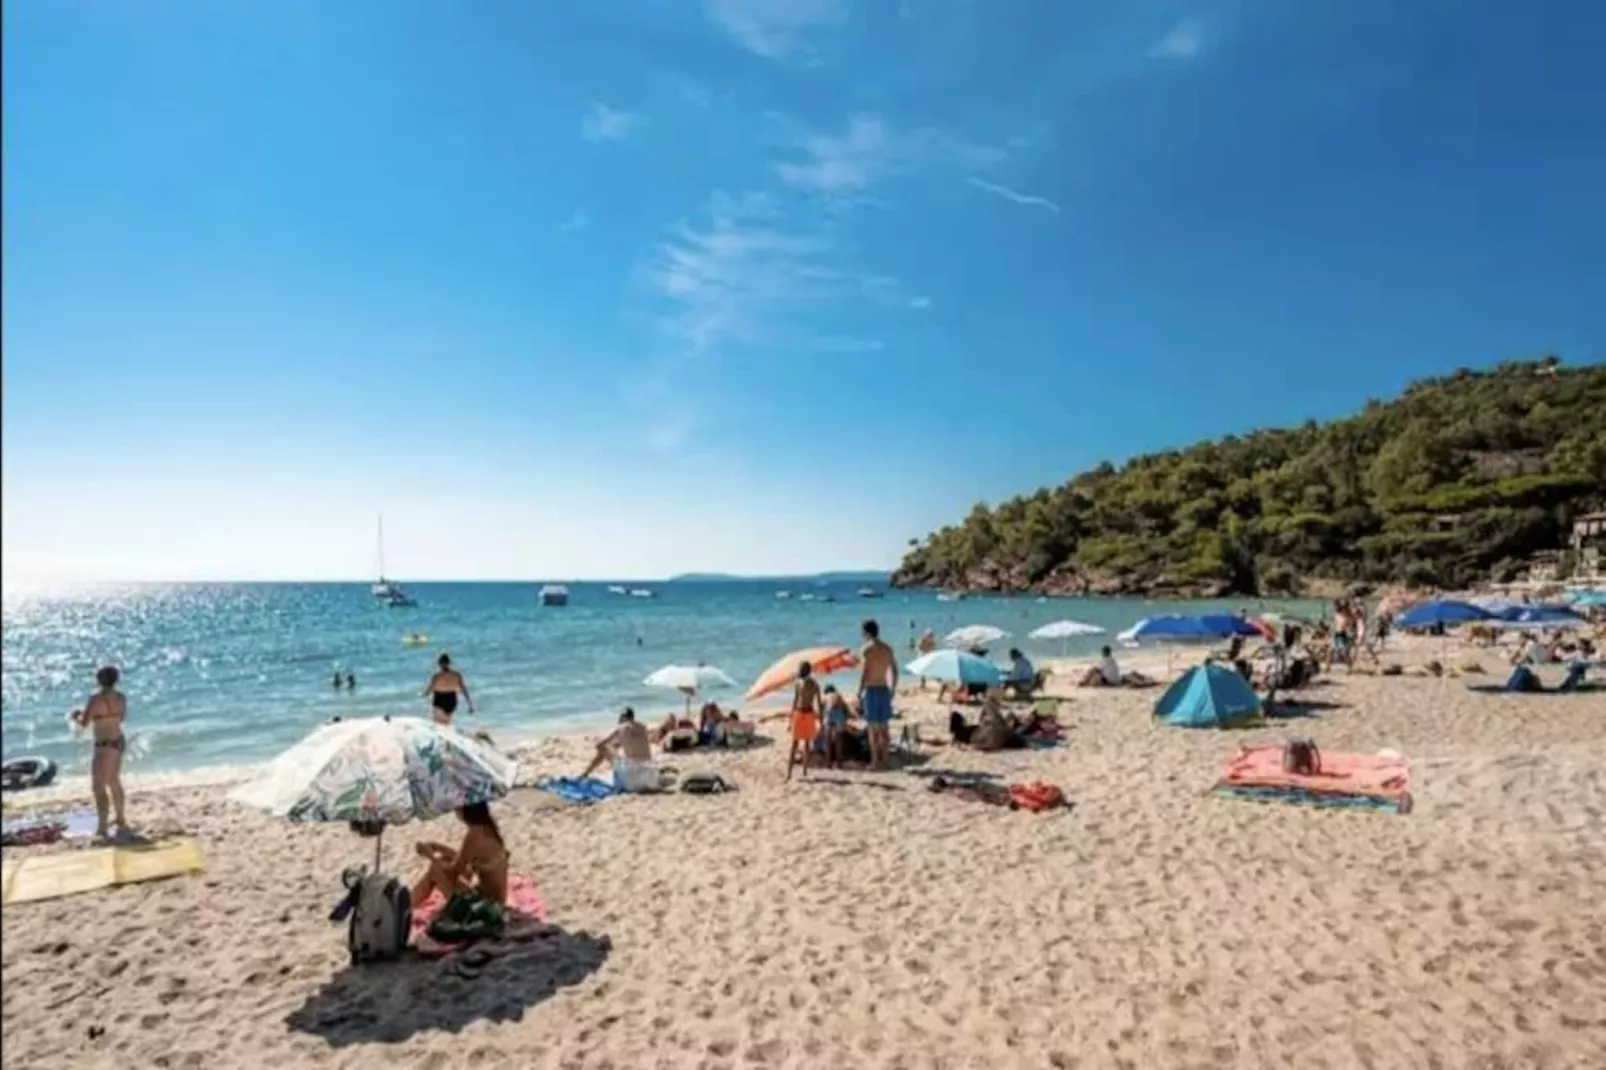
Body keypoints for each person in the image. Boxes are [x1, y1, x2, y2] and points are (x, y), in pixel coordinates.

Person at [70, 666, 129, 842]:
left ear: (99, 680)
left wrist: (76, 716)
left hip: (103, 745)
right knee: (114, 781)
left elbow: (84, 723)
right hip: (118, 740)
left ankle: (102, 827)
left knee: (98, 786)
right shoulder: (121, 697)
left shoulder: (95, 699)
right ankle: (120, 818)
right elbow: (122, 718)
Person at [411, 801, 509, 907]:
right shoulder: (489, 827)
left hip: (485, 907)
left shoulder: (474, 836)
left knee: (435, 870)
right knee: (444, 859)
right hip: (497, 901)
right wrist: (438, 847)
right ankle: (410, 903)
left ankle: (408, 905)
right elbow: (463, 860)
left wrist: (430, 855)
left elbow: (454, 871)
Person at [580, 708, 659, 791]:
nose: (618, 719)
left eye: (620, 717)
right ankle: (585, 774)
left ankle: (584, 775)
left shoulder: (621, 728)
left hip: (632, 779)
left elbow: (600, 745)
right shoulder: (642, 727)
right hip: (649, 775)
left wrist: (603, 746)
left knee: (603, 748)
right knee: (619, 753)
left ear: (623, 717)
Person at [858, 620, 899, 770]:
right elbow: (895, 670)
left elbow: (864, 672)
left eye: (862, 632)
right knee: (884, 728)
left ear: (867, 632)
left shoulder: (866, 650)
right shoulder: (887, 649)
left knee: (872, 729)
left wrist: (859, 691)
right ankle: (886, 760)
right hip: (884, 688)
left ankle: (875, 762)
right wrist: (893, 688)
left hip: (871, 689)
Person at [787, 661, 822, 782]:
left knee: (806, 743)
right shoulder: (799, 683)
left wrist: (821, 719)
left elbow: (819, 702)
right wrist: (790, 719)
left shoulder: (813, 684)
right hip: (799, 713)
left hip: (808, 714)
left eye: (801, 670)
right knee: (795, 744)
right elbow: (794, 700)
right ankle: (789, 773)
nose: (799, 672)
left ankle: (804, 770)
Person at [422, 653, 474, 726]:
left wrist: (422, 694)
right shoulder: (456, 674)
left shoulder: (437, 676)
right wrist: (470, 705)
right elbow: (464, 690)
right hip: (452, 701)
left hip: (439, 700)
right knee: (446, 724)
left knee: (438, 725)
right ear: (449, 663)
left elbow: (429, 691)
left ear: (439, 663)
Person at [821, 685, 853, 767]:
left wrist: (822, 722)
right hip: (839, 715)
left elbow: (821, 709)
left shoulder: (825, 696)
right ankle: (839, 763)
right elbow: (847, 710)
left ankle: (828, 763)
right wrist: (845, 721)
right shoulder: (839, 696)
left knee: (827, 741)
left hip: (829, 715)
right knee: (839, 740)